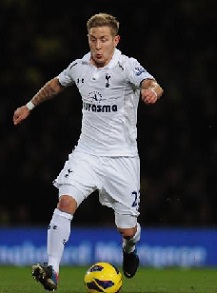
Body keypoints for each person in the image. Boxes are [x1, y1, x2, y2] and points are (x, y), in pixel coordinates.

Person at [13, 12, 163, 292]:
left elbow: (152, 83)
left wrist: (151, 91)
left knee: (127, 229)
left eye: (103, 40)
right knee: (65, 201)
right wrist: (29, 106)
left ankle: (130, 250)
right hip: (87, 154)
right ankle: (52, 270)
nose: (97, 46)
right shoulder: (79, 66)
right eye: (93, 39)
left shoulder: (127, 66)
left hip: (122, 159)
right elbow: (56, 84)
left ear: (115, 40)